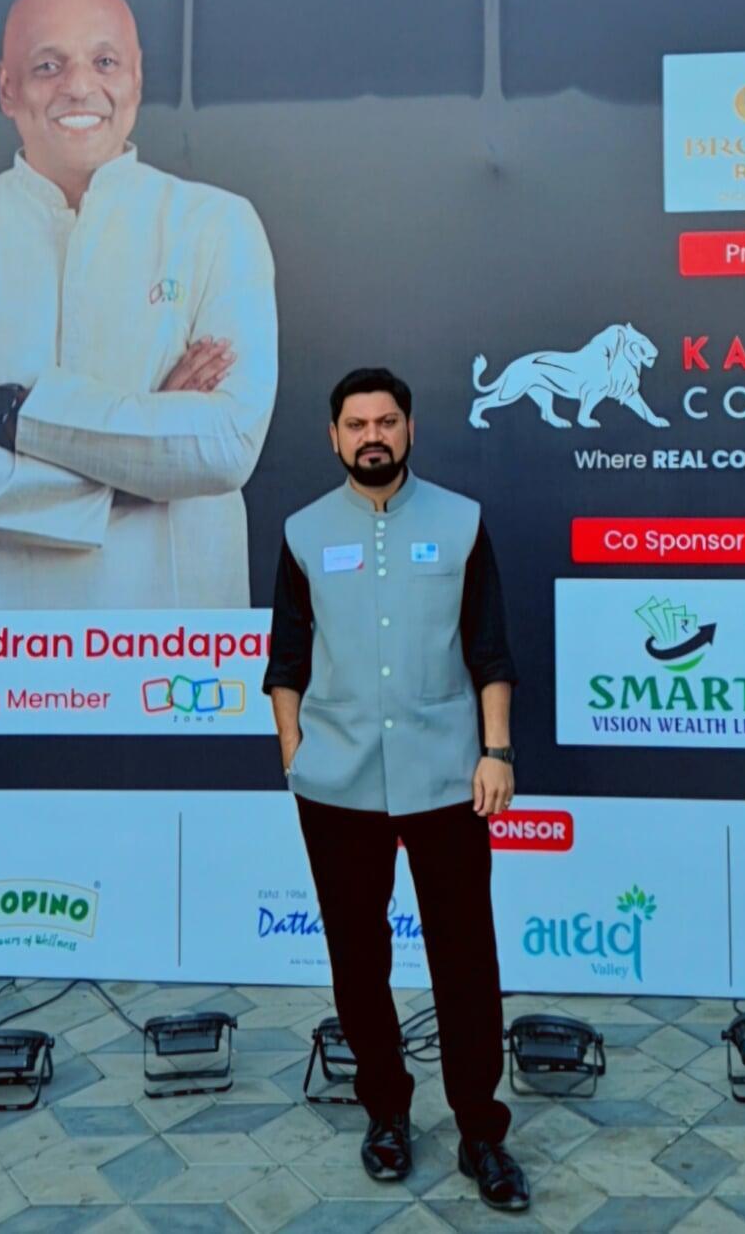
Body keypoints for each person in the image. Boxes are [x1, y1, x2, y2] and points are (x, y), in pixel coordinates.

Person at [0, 0, 276, 609]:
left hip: (175, 655)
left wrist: (9, 417)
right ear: (8, 88)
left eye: (104, 61)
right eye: (48, 66)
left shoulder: (218, 226)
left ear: (137, 78)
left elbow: (223, 447)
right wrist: (140, 474)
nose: (80, 86)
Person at [263, 367, 531, 1213]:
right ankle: (386, 1111)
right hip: (337, 783)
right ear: (334, 437)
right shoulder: (304, 533)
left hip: (449, 776)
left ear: (409, 429)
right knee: (357, 957)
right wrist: (295, 753)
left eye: (386, 421)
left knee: (465, 957)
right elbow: (285, 659)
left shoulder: (460, 524)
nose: (372, 436)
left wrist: (496, 751)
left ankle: (481, 1130)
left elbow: (490, 649)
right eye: (356, 424)